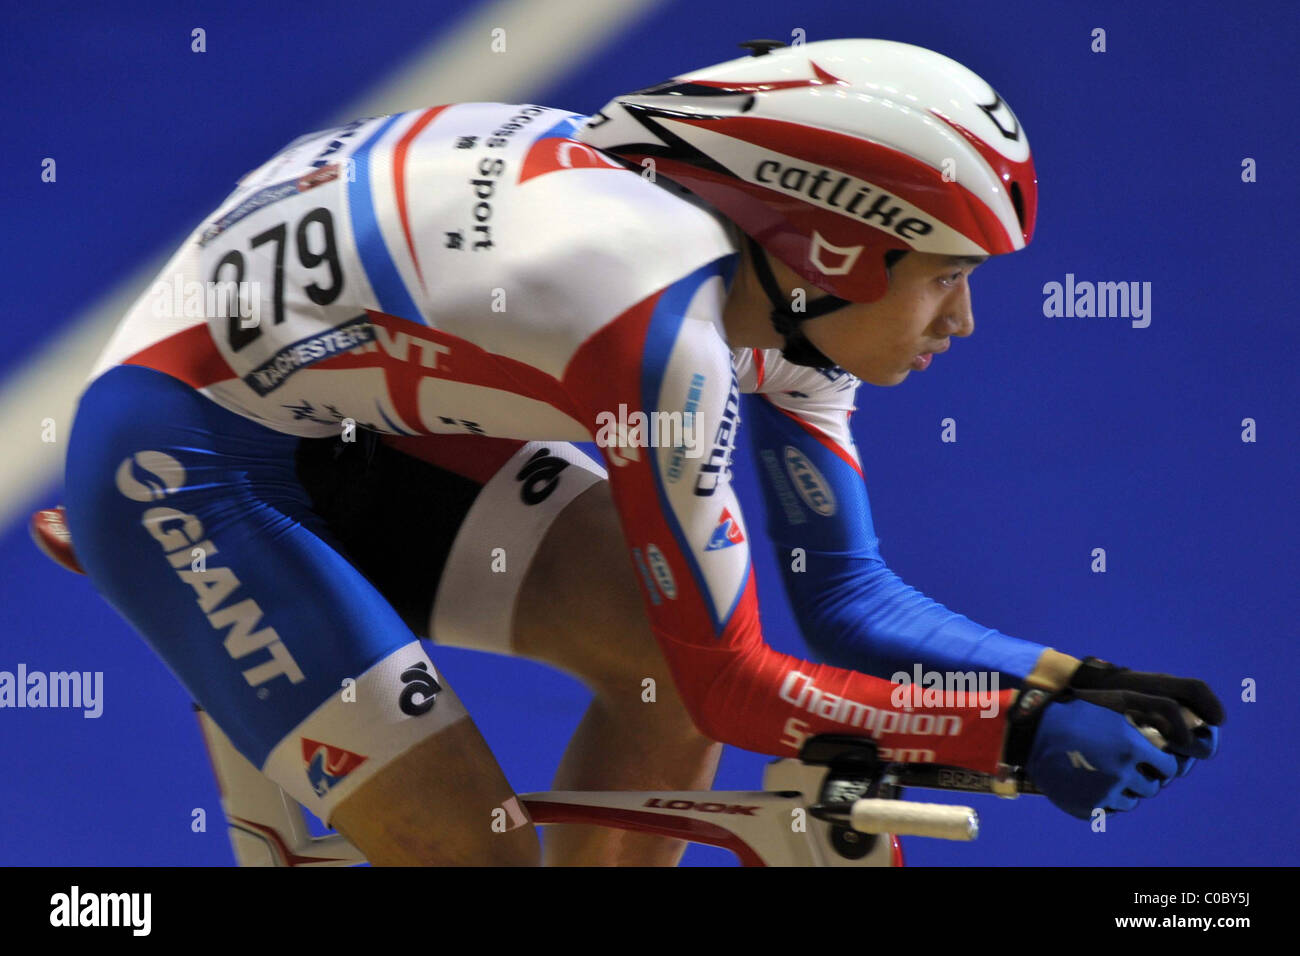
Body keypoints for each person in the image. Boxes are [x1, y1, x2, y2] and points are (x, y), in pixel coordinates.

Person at [60, 38, 1222, 866]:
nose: (961, 325)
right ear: (833, 245)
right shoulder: (656, 327)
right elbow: (738, 683)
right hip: (183, 465)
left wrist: (1068, 678)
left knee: (662, 673)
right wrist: (1010, 734)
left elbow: (843, 598)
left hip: (363, 410)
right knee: (493, 848)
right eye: (948, 279)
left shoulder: (781, 290)